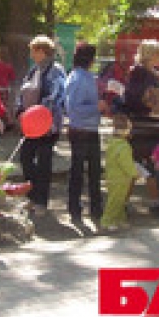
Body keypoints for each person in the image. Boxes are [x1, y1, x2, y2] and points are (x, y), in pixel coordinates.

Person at [17, 35, 66, 216]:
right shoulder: (33, 71)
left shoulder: (56, 70)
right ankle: (32, 196)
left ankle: (41, 202)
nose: (31, 54)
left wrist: (39, 112)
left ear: (42, 51)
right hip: (31, 125)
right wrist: (20, 111)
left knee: (44, 163)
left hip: (48, 126)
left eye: (33, 51)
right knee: (26, 157)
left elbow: (57, 95)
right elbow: (22, 92)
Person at [64, 43, 106, 223]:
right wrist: (96, 107)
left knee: (88, 171)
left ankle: (88, 207)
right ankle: (80, 208)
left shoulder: (81, 76)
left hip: (86, 128)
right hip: (82, 129)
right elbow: (74, 108)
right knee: (82, 172)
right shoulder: (80, 78)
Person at [122, 40, 159, 166]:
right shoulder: (139, 73)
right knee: (142, 161)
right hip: (144, 123)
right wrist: (152, 103)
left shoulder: (151, 73)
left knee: (149, 161)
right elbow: (133, 98)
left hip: (152, 122)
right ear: (151, 55)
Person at [100, 115, 138, 232]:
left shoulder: (112, 144)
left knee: (119, 200)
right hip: (121, 178)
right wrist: (134, 173)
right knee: (115, 201)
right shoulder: (124, 147)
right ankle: (107, 221)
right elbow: (126, 163)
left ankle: (119, 219)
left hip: (112, 176)